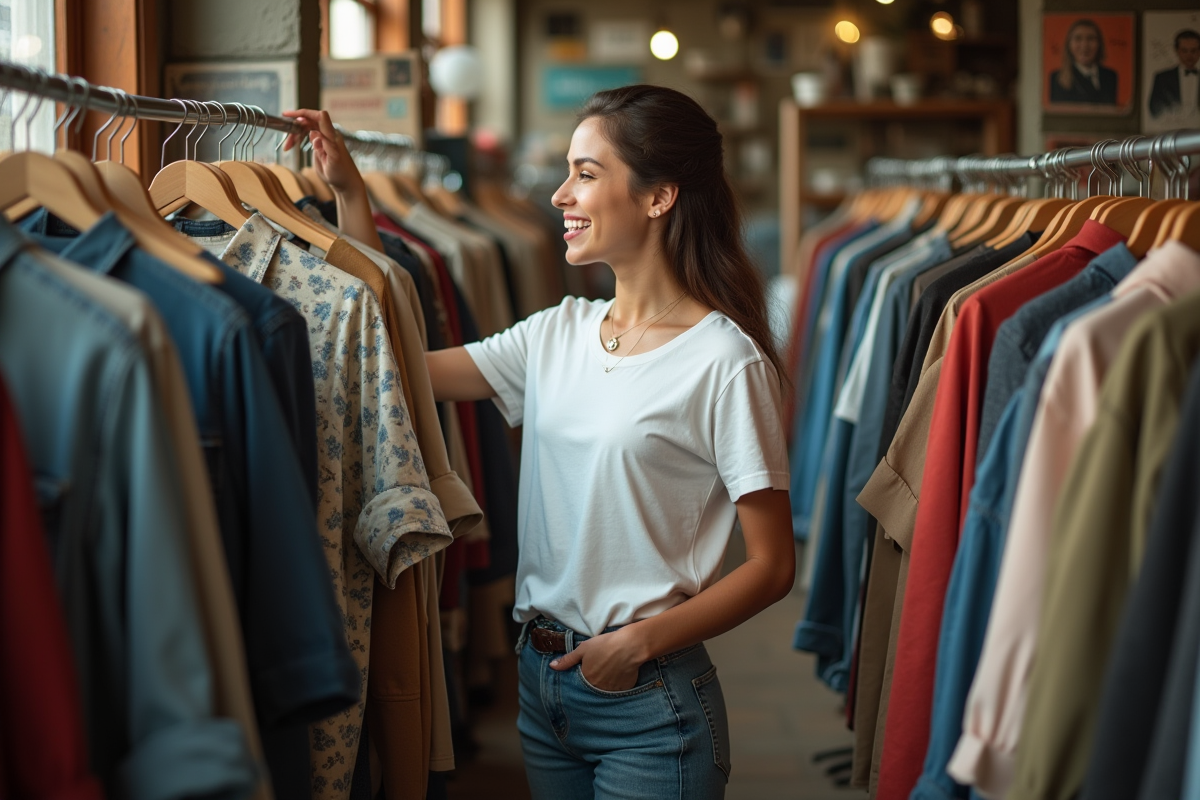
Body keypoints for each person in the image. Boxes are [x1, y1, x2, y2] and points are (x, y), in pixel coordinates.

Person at [426, 85, 795, 799]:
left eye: (587, 174)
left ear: (658, 198)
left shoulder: (724, 361)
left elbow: (773, 566)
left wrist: (636, 645)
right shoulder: (557, 331)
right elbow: (407, 367)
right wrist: (350, 212)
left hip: (648, 704)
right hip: (543, 687)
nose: (562, 193)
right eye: (569, 171)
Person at [1049, 18, 1119, 105]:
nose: (1085, 45)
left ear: (1099, 44)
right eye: (1078, 38)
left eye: (1090, 39)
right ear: (1069, 45)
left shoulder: (1110, 76)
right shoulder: (1057, 79)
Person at [1149, 29, 1200, 117]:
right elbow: (1154, 110)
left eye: (1193, 50)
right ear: (1177, 51)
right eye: (1184, 50)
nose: (1189, 56)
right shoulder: (1162, 78)